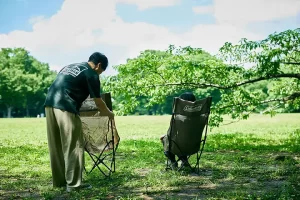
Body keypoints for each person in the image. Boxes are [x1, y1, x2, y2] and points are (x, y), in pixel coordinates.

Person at [44, 52, 114, 192]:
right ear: (99, 65)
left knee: (56, 146)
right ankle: (74, 185)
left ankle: (59, 182)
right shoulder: (92, 74)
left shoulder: (69, 66)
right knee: (74, 146)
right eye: (101, 71)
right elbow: (98, 102)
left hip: (49, 105)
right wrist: (109, 114)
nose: (99, 74)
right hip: (65, 107)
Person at [160, 92, 196, 169]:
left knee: (166, 139)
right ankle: (184, 161)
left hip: (178, 145)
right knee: (183, 141)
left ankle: (172, 162)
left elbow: (171, 133)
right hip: (194, 145)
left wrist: (165, 136)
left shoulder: (178, 117)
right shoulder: (200, 116)